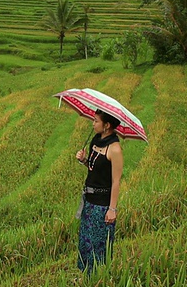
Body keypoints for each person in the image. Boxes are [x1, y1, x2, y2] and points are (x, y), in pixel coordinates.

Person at [74, 109, 124, 275]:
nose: (93, 123)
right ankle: (86, 278)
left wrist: (112, 209)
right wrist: (84, 160)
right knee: (85, 242)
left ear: (107, 125)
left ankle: (98, 279)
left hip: (102, 206)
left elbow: (116, 181)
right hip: (89, 201)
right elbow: (93, 168)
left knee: (98, 245)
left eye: (96, 121)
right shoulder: (96, 140)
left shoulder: (115, 149)